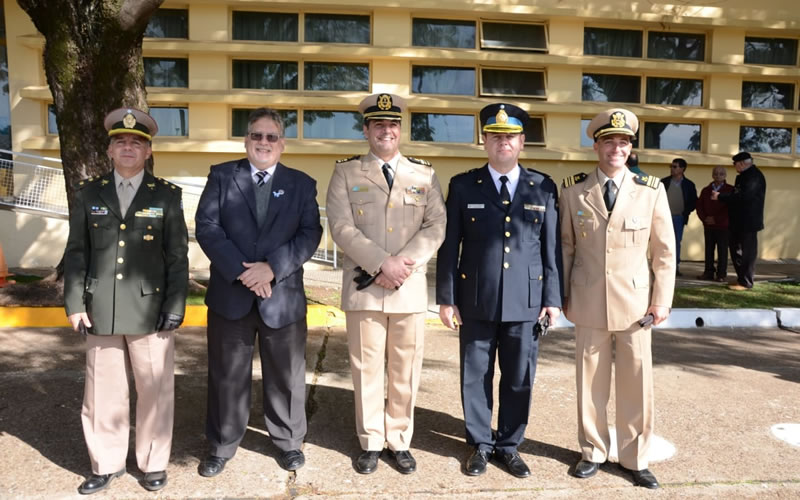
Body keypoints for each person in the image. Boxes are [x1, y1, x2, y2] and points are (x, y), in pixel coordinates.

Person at [63, 108, 189, 494]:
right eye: (121, 141)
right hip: (100, 307)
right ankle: (106, 462)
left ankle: (153, 463)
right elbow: (77, 252)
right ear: (109, 150)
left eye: (137, 142)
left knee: (154, 390)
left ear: (148, 151)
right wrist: (74, 303)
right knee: (102, 391)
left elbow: (177, 256)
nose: (128, 147)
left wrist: (174, 306)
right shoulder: (89, 193)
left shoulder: (166, 195)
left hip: (152, 310)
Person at [436, 103, 562, 479]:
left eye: (510, 136)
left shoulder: (542, 186)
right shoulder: (462, 185)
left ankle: (508, 445)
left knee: (518, 376)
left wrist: (552, 299)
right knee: (475, 375)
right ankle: (479, 444)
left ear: (522, 142)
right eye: (495, 136)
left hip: (525, 302)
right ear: (484, 142)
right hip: (475, 299)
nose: (502, 142)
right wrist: (446, 297)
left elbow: (550, 248)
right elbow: (449, 245)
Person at [194, 108, 322, 476]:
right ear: (246, 140)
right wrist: (242, 272)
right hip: (231, 295)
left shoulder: (302, 183)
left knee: (286, 375)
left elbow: (309, 234)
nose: (263, 142)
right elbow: (207, 227)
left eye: (271, 137)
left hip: (281, 297)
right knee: (226, 374)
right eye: (256, 135)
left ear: (282, 143)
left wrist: (273, 268)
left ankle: (288, 442)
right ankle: (221, 443)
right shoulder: (222, 176)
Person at [326, 93, 446, 475]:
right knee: (366, 368)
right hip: (365, 289)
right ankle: (371, 440)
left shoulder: (424, 174)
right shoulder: (345, 173)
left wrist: (401, 267)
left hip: (407, 288)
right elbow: (341, 227)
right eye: (378, 124)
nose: (386, 130)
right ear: (366, 130)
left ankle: (399, 439)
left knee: (405, 369)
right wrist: (382, 264)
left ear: (400, 130)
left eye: (392, 124)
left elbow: (436, 225)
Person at [560, 108, 675, 490]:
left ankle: (634, 457)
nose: (616, 148)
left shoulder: (651, 190)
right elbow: (565, 248)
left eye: (623, 142)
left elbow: (664, 253)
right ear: (595, 145)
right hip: (588, 299)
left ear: (630, 148)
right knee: (589, 383)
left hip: (636, 307)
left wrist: (662, 301)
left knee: (637, 385)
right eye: (608, 141)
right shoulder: (574, 190)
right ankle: (592, 451)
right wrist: (560, 296)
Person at [711, 152, 767, 290]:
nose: (734, 166)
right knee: (736, 249)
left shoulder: (754, 177)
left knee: (747, 252)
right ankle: (741, 278)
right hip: (738, 220)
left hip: (748, 221)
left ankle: (746, 282)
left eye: (734, 163)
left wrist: (720, 197)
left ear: (742, 163)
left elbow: (744, 197)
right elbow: (737, 195)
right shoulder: (744, 176)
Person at [696, 166, 734, 282]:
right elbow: (699, 206)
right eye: (716, 173)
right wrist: (705, 219)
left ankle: (721, 274)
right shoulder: (706, 190)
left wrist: (717, 219)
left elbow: (731, 209)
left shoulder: (730, 190)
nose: (718, 176)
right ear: (712, 175)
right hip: (708, 225)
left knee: (722, 251)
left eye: (721, 174)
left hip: (723, 226)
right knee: (709, 250)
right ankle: (708, 272)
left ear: (725, 175)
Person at [661, 158, 697, 276]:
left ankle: (674, 267)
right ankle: (662, 266)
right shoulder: (664, 182)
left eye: (675, 166)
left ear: (682, 169)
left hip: (678, 218)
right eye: (671, 166)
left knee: (676, 242)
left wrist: (685, 212)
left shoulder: (689, 184)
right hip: (663, 218)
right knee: (662, 242)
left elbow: (693, 201)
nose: (672, 168)